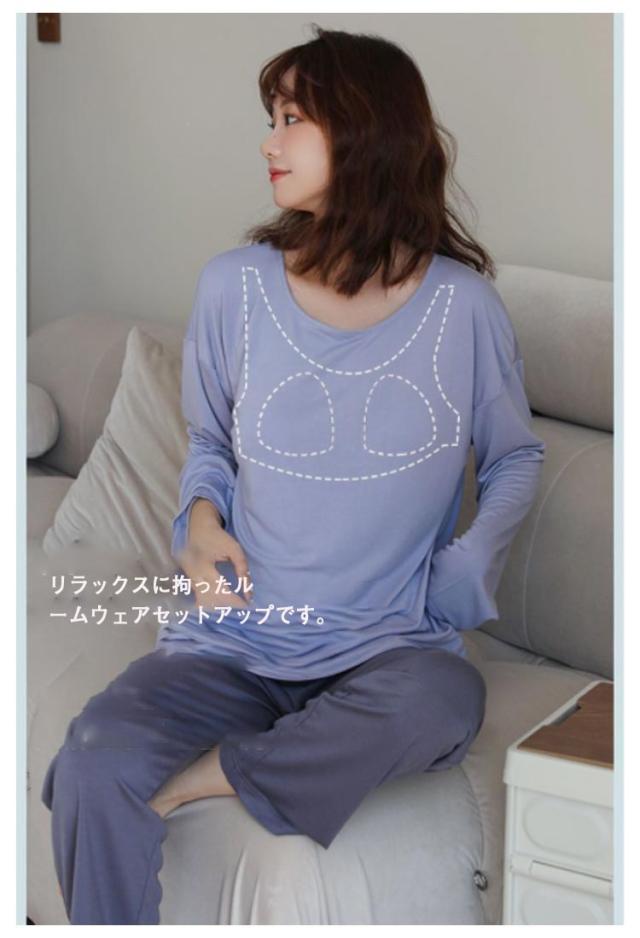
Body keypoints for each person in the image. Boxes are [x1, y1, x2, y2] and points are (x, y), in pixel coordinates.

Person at [41, 25, 545, 925]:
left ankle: (220, 774)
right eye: (271, 119)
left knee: (443, 702)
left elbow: (515, 456)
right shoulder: (232, 287)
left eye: (292, 120)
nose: (268, 143)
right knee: (91, 757)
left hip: (386, 649)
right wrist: (199, 523)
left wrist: (468, 565)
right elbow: (210, 443)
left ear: (364, 131)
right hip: (236, 643)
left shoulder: (464, 309)